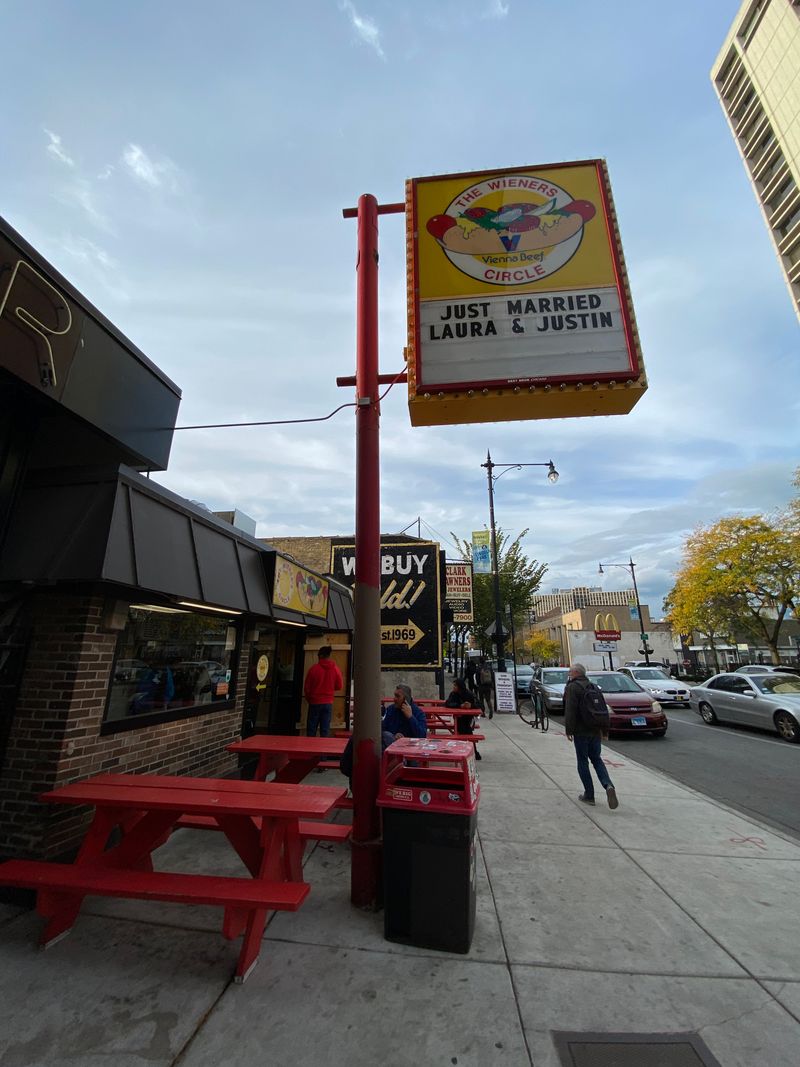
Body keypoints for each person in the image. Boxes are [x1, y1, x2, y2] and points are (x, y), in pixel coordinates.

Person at [564, 662, 619, 809]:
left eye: (570, 672)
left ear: (576, 673)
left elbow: (570, 710)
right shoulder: (593, 686)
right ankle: (608, 785)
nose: (569, 674)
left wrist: (569, 730)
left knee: (583, 761)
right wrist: (604, 730)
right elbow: (603, 709)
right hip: (595, 730)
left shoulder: (573, 687)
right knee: (597, 759)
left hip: (581, 731)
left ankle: (589, 795)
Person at [303, 645, 343, 738]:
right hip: (328, 702)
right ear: (329, 656)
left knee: (311, 729)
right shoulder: (335, 669)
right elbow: (339, 686)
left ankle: (310, 750)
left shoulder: (313, 669)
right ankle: (323, 751)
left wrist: (310, 699)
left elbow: (307, 688)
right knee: (325, 730)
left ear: (320, 656)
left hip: (314, 702)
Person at [445, 677, 482, 759]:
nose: (453, 687)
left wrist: (471, 706)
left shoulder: (469, 694)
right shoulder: (453, 694)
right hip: (458, 718)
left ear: (460, 687)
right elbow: (447, 704)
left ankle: (473, 752)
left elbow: (480, 706)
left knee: (466, 730)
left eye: (455, 685)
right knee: (461, 729)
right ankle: (468, 752)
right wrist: (459, 706)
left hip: (469, 718)